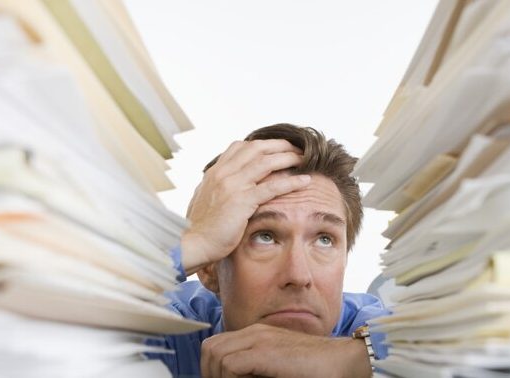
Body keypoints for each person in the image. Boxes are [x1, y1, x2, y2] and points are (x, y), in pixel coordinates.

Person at [148, 124, 388, 377]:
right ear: (210, 268)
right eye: (265, 237)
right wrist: (194, 242)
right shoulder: (169, 329)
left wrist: (351, 359)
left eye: (324, 239)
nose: (298, 276)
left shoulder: (370, 327)